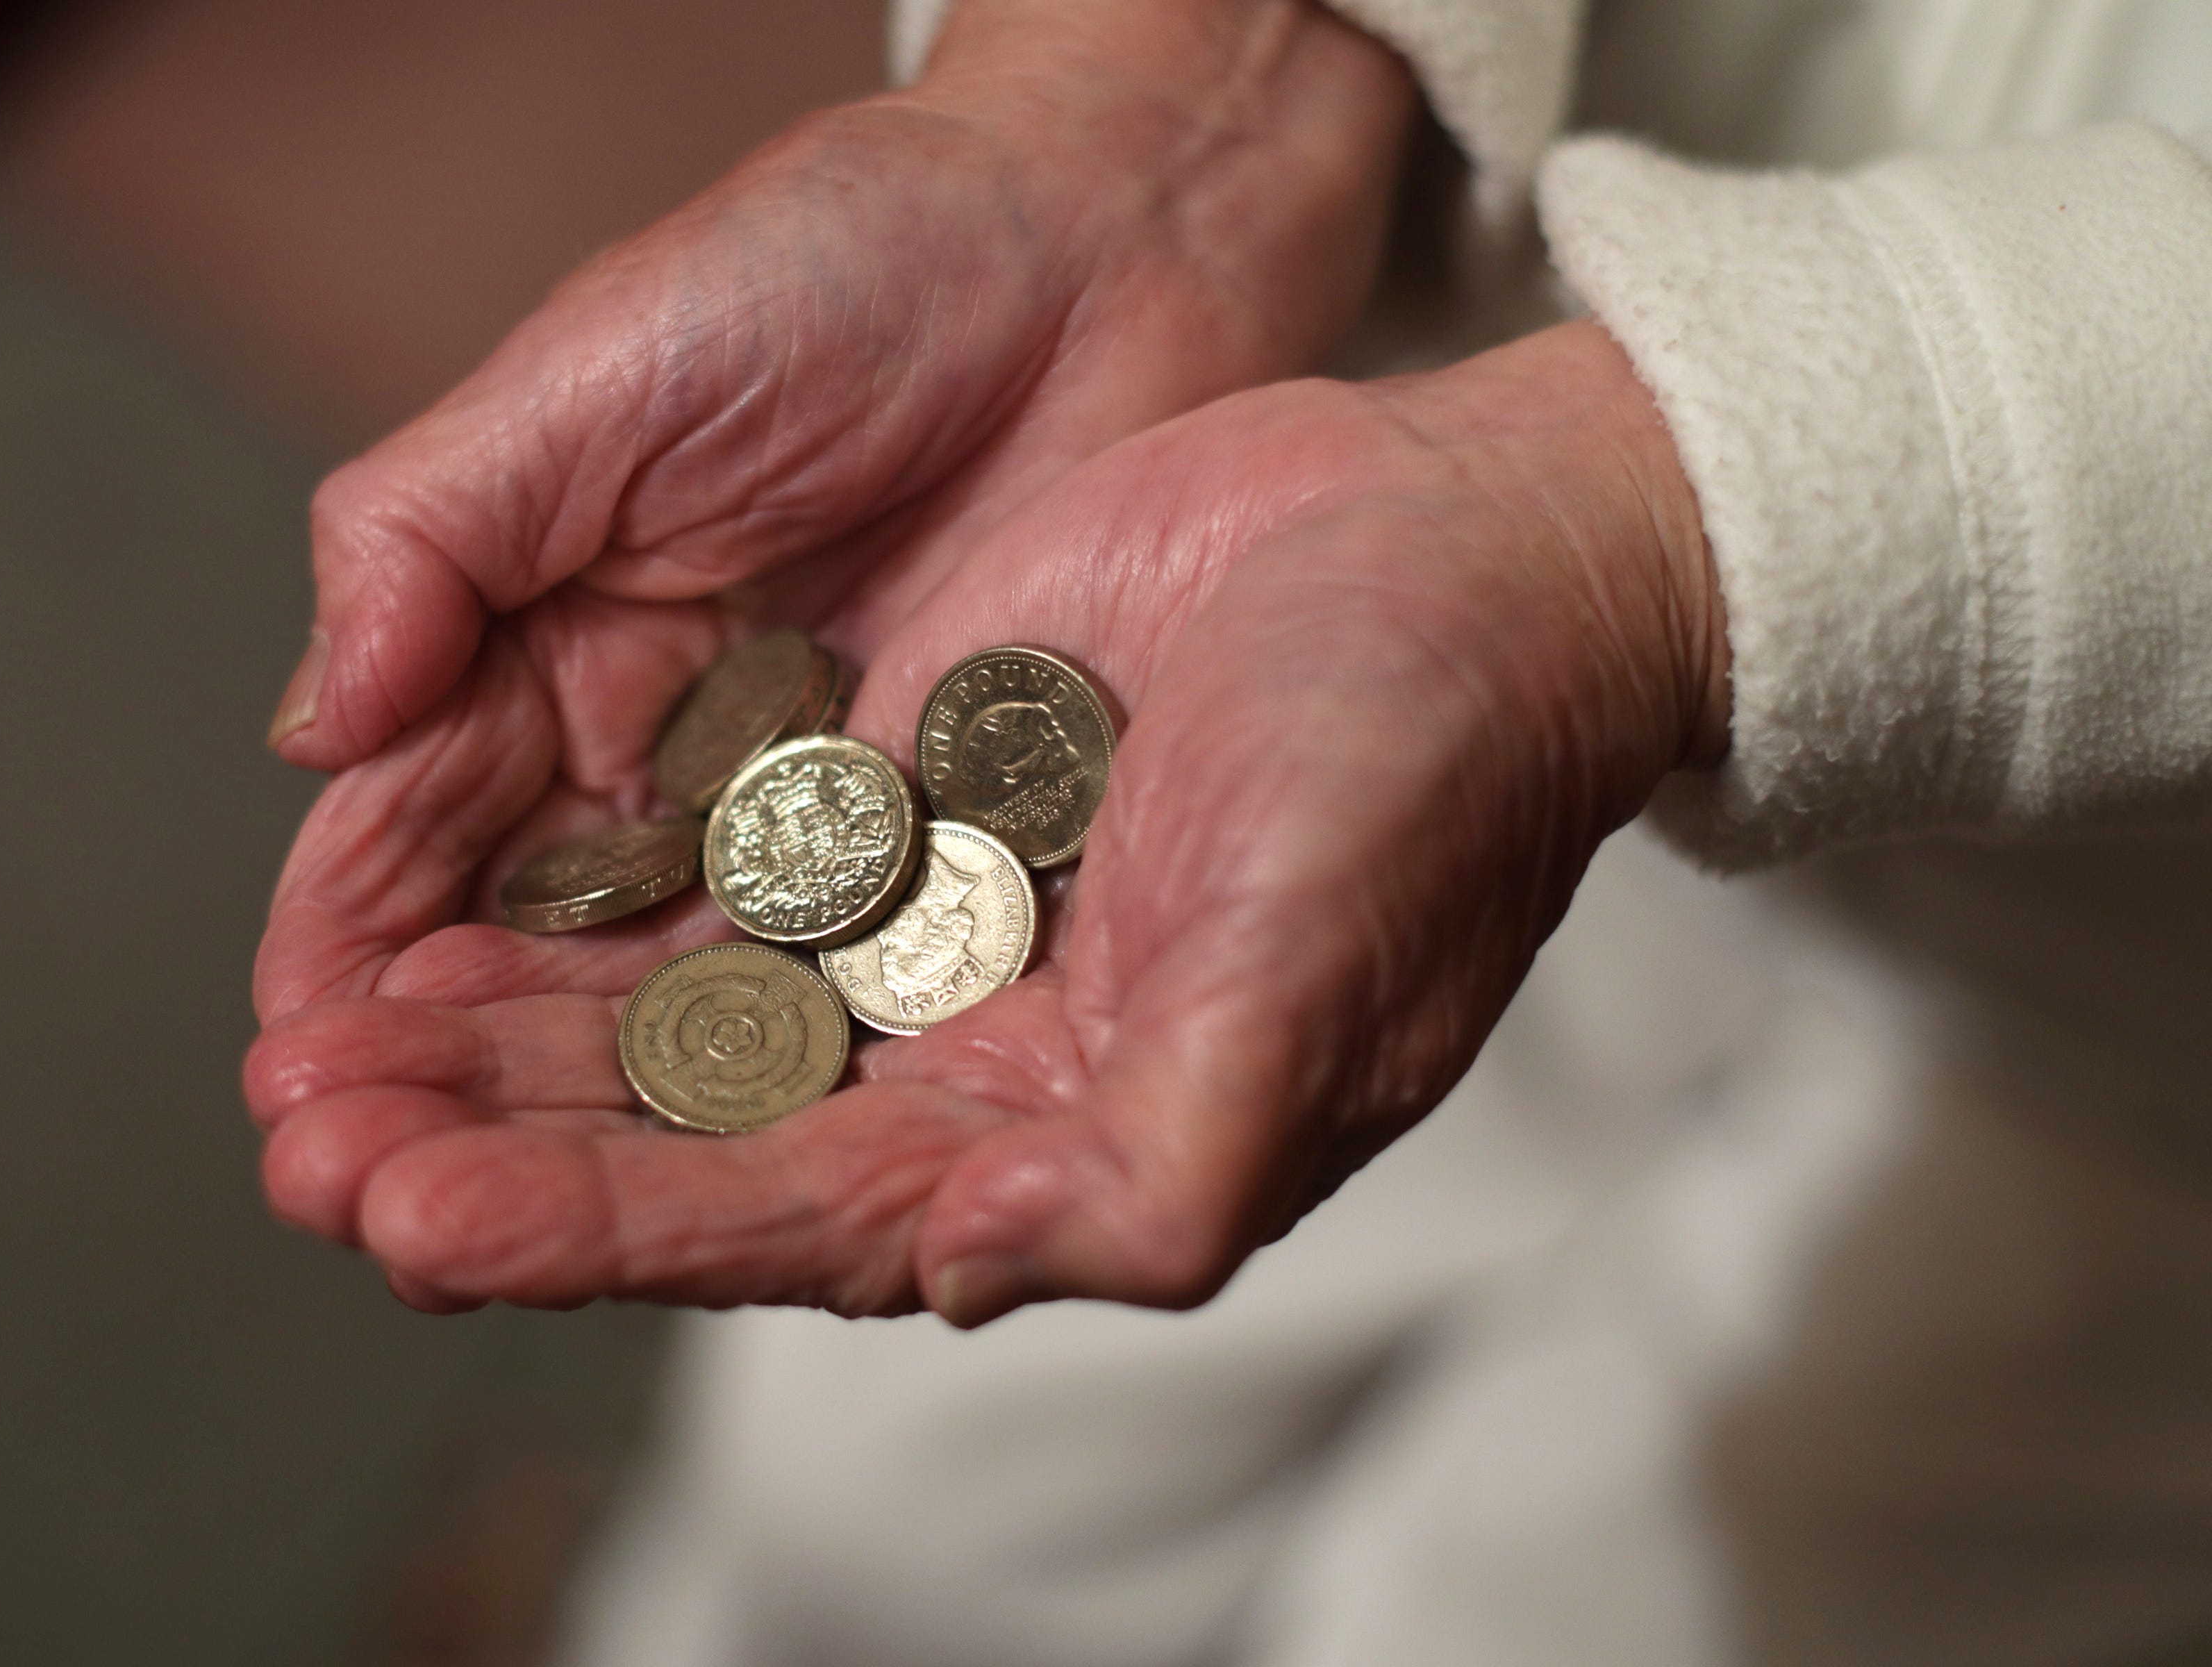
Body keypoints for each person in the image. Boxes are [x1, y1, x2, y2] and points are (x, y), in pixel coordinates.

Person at [243, 0, 2212, 1659]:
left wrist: (1666, 529)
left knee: (1565, 1608)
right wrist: (1185, 81)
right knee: (880, 1498)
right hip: (1392, 496)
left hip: (2151, 1016)